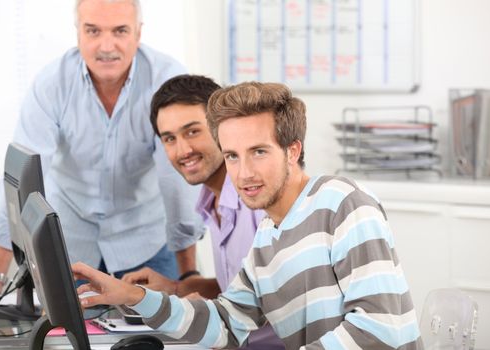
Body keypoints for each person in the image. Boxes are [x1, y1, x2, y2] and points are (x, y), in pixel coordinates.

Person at [74, 81, 423, 349]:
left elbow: (379, 328)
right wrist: (131, 297)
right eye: (232, 156)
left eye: (258, 152)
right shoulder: (267, 238)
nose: (243, 174)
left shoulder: (342, 203)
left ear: (292, 150)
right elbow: (225, 322)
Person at [0, 0, 202, 316]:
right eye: (93, 31)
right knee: (71, 337)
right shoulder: (51, 83)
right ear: (78, 33)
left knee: (161, 337)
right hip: (73, 245)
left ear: (138, 33)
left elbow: (177, 180)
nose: (107, 46)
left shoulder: (166, 78)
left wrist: (187, 275)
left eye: (120, 31)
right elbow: (21, 176)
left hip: (147, 240)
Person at [120, 75, 284, 349]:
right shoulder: (212, 200)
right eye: (169, 138)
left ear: (223, 129)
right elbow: (240, 290)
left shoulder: (259, 201)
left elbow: (278, 304)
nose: (183, 150)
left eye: (193, 131)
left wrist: (185, 311)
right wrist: (174, 288)